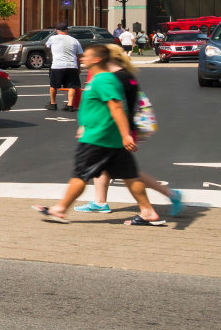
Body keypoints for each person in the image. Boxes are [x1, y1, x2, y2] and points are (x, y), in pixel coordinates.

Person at [35, 43, 168, 225]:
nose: (82, 58)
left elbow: (116, 107)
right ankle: (148, 212)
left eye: (86, 56)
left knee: (80, 175)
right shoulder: (101, 78)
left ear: (97, 59)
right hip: (109, 138)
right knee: (130, 176)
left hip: (98, 138)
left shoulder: (104, 80)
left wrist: (126, 135)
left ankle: (60, 208)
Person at [76, 45, 184, 218]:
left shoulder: (115, 78)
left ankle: (169, 195)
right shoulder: (123, 75)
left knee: (129, 172)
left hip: (117, 131)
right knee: (107, 167)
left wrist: (122, 133)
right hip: (117, 130)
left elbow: (115, 107)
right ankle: (100, 202)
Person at [45, 23, 84, 110]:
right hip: (72, 65)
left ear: (56, 30)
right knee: (72, 86)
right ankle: (70, 105)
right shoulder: (74, 40)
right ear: (67, 30)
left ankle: (53, 103)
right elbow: (79, 55)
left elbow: (46, 46)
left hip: (57, 65)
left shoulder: (52, 38)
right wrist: (79, 68)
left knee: (53, 85)